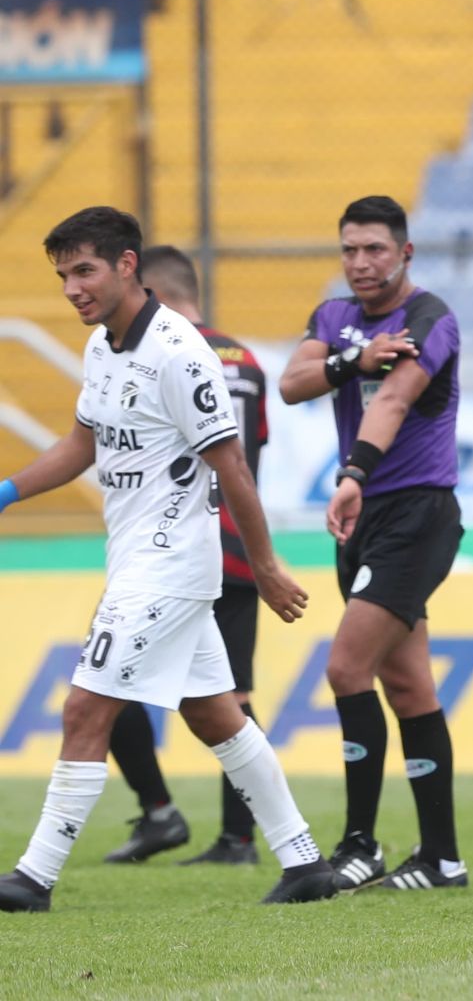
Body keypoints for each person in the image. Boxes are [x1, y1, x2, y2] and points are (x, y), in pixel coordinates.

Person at [0, 207, 333, 911]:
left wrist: (267, 565)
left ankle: (32, 878)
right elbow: (79, 447)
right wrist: (5, 491)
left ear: (128, 266)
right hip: (135, 560)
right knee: (215, 716)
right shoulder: (102, 346)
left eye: (84, 270)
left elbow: (232, 463)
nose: (71, 288)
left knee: (85, 708)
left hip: (171, 563)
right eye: (62, 275)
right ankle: (305, 862)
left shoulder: (180, 353)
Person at [278, 196, 467, 892]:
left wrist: (352, 472)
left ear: (405, 253)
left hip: (416, 515)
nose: (361, 263)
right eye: (350, 250)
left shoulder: (429, 318)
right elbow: (294, 380)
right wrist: (353, 358)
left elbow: (392, 402)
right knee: (408, 683)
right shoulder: (335, 318)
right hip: (363, 522)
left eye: (375, 250)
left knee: (345, 669)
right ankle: (442, 859)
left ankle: (360, 846)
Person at [101, 246, 272, 867]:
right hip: (238, 545)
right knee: (237, 694)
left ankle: (158, 811)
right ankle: (241, 839)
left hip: (172, 543)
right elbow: (249, 455)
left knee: (102, 682)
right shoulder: (247, 360)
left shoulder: (161, 355)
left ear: (150, 291)